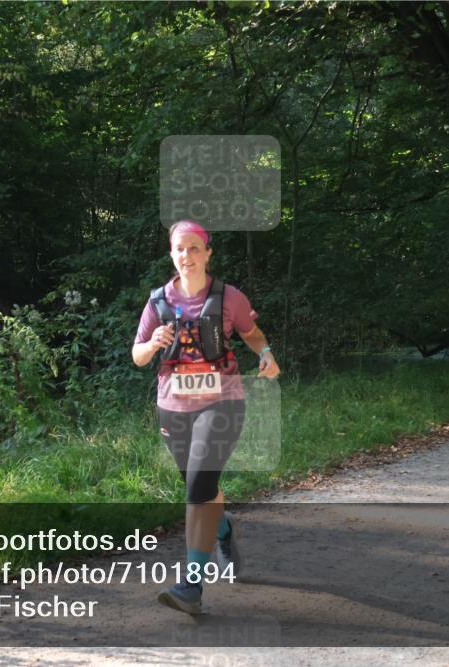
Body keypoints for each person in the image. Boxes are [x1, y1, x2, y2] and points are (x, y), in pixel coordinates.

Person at [131, 220, 280, 614]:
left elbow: (252, 333)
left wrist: (265, 355)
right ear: (172, 254)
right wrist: (151, 343)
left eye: (195, 248)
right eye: (180, 249)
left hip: (222, 404)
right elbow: (137, 355)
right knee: (204, 490)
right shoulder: (156, 302)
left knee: (197, 487)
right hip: (173, 408)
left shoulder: (229, 297)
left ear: (208, 252)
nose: (187, 256)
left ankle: (191, 586)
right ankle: (225, 530)